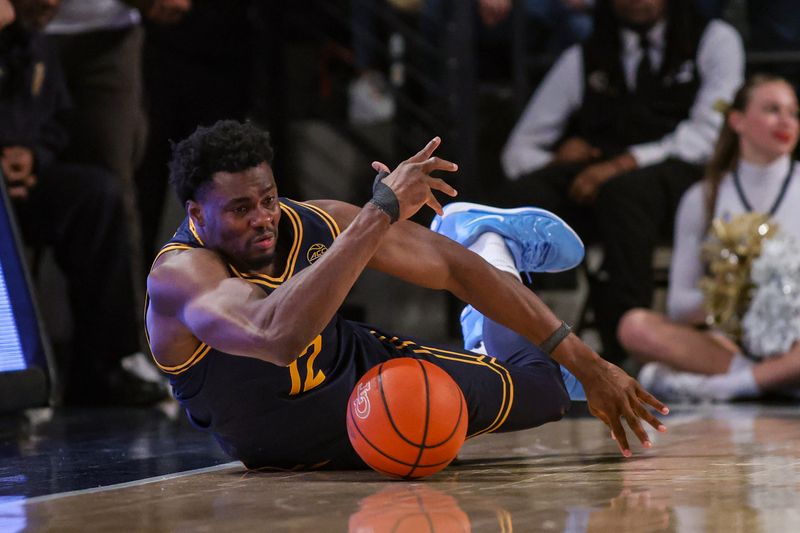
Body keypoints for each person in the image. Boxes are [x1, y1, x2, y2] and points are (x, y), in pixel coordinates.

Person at [145, 120, 668, 470]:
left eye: (268, 199)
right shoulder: (182, 279)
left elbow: (454, 270)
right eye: (240, 209)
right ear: (195, 215)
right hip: (279, 445)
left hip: (371, 379)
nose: (263, 220)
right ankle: (489, 333)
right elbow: (274, 335)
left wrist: (591, 366)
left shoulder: (320, 222)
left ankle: (486, 239)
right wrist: (378, 214)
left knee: (548, 392)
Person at [500, 0, 744, 362]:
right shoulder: (584, 56)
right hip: (600, 182)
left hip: (681, 180)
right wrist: (557, 159)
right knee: (524, 193)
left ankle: (627, 345)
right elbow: (517, 152)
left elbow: (708, 136)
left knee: (625, 193)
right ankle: (505, 335)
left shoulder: (714, 39)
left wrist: (624, 163)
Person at [0, 0, 167, 404]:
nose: (53, 4)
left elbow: (55, 119)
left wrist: (32, 157)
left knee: (97, 195)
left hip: (19, 184)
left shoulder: (35, 43)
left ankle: (106, 365)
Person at [617, 74, 800, 401]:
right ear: (738, 120)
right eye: (772, 109)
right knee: (635, 326)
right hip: (730, 345)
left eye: (793, 112)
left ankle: (729, 387)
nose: (786, 121)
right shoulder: (704, 196)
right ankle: (765, 379)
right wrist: (729, 295)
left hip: (795, 339)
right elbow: (678, 305)